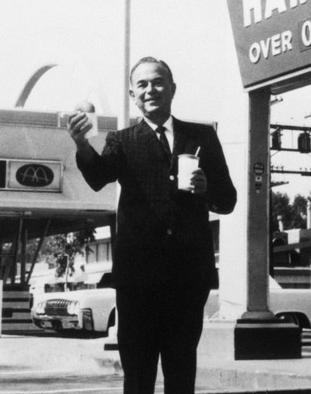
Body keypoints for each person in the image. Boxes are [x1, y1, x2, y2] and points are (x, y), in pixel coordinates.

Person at [68, 57, 236, 393]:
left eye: (157, 82)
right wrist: (82, 145)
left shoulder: (201, 136)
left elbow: (227, 200)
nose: (150, 90)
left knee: (181, 367)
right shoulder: (122, 140)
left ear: (172, 88)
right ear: (132, 94)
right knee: (139, 372)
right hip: (138, 278)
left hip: (188, 276)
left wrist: (207, 190)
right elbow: (99, 177)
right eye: (142, 85)